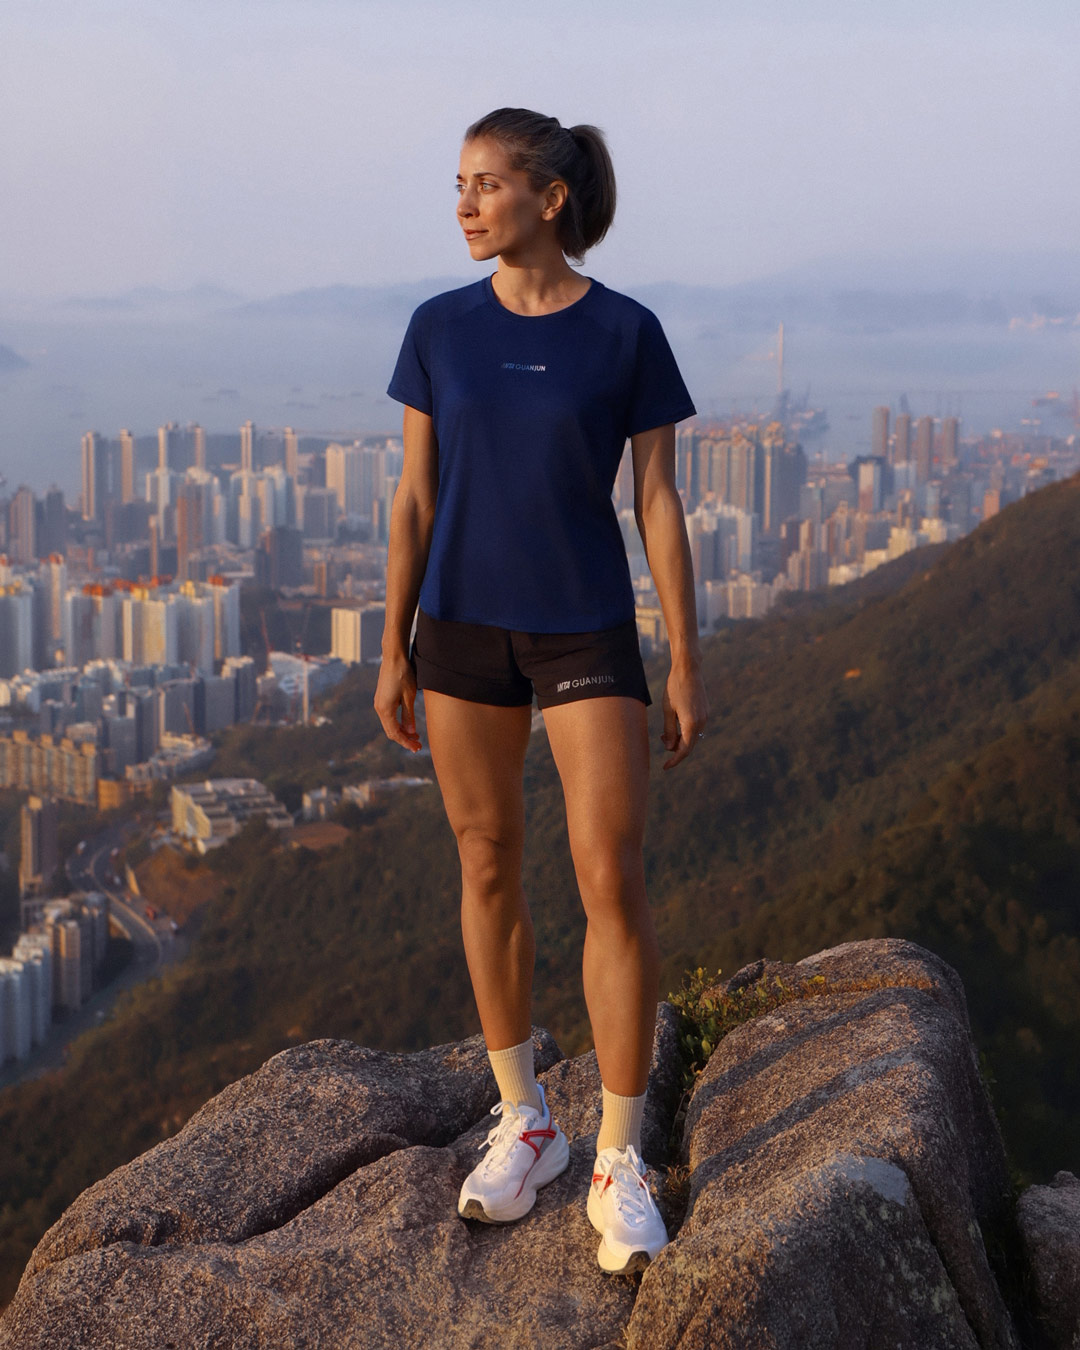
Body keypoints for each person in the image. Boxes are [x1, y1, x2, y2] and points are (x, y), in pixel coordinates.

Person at [375, 107, 708, 1275]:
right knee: (485, 861)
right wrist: (389, 645)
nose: (464, 204)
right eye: (457, 184)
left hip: (585, 631)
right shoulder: (439, 329)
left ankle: (621, 1156)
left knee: (610, 874)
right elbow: (415, 498)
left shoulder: (626, 332)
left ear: (549, 198)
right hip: (457, 629)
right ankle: (527, 1120)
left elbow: (659, 504)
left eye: (486, 184)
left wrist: (684, 654)